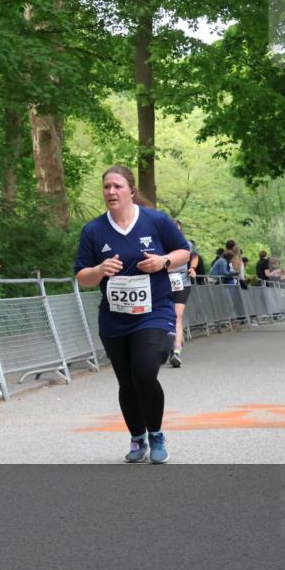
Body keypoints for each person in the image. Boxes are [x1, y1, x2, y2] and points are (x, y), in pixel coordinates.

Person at [75, 165, 190, 464]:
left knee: (144, 371)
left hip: (155, 310)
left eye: (117, 186)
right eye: (106, 187)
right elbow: (82, 276)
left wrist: (163, 261)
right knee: (127, 382)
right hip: (115, 318)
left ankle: (157, 434)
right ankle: (137, 438)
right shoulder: (94, 230)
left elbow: (183, 252)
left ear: (131, 191)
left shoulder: (156, 221)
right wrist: (99, 270)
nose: (111, 192)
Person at [167, 220, 199, 368]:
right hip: (163, 283)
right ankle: (165, 346)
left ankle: (176, 352)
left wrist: (192, 268)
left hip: (182, 282)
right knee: (164, 314)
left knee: (177, 315)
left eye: (177, 230)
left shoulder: (187, 244)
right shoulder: (160, 243)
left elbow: (194, 257)